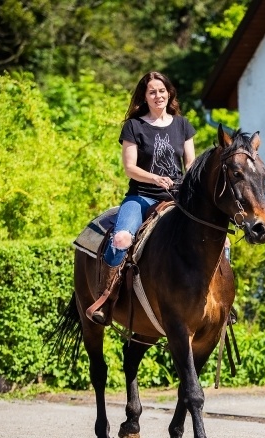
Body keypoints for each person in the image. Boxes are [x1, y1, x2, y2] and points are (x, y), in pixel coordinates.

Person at [86, 71, 196, 325]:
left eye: (162, 91)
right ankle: (106, 298)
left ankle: (221, 302)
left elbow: (190, 163)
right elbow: (130, 168)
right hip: (142, 196)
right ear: (144, 97)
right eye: (152, 92)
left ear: (170, 93)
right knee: (122, 239)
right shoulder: (134, 127)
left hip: (177, 199)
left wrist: (193, 182)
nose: (158, 96)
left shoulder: (183, 125)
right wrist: (155, 178)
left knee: (222, 241)